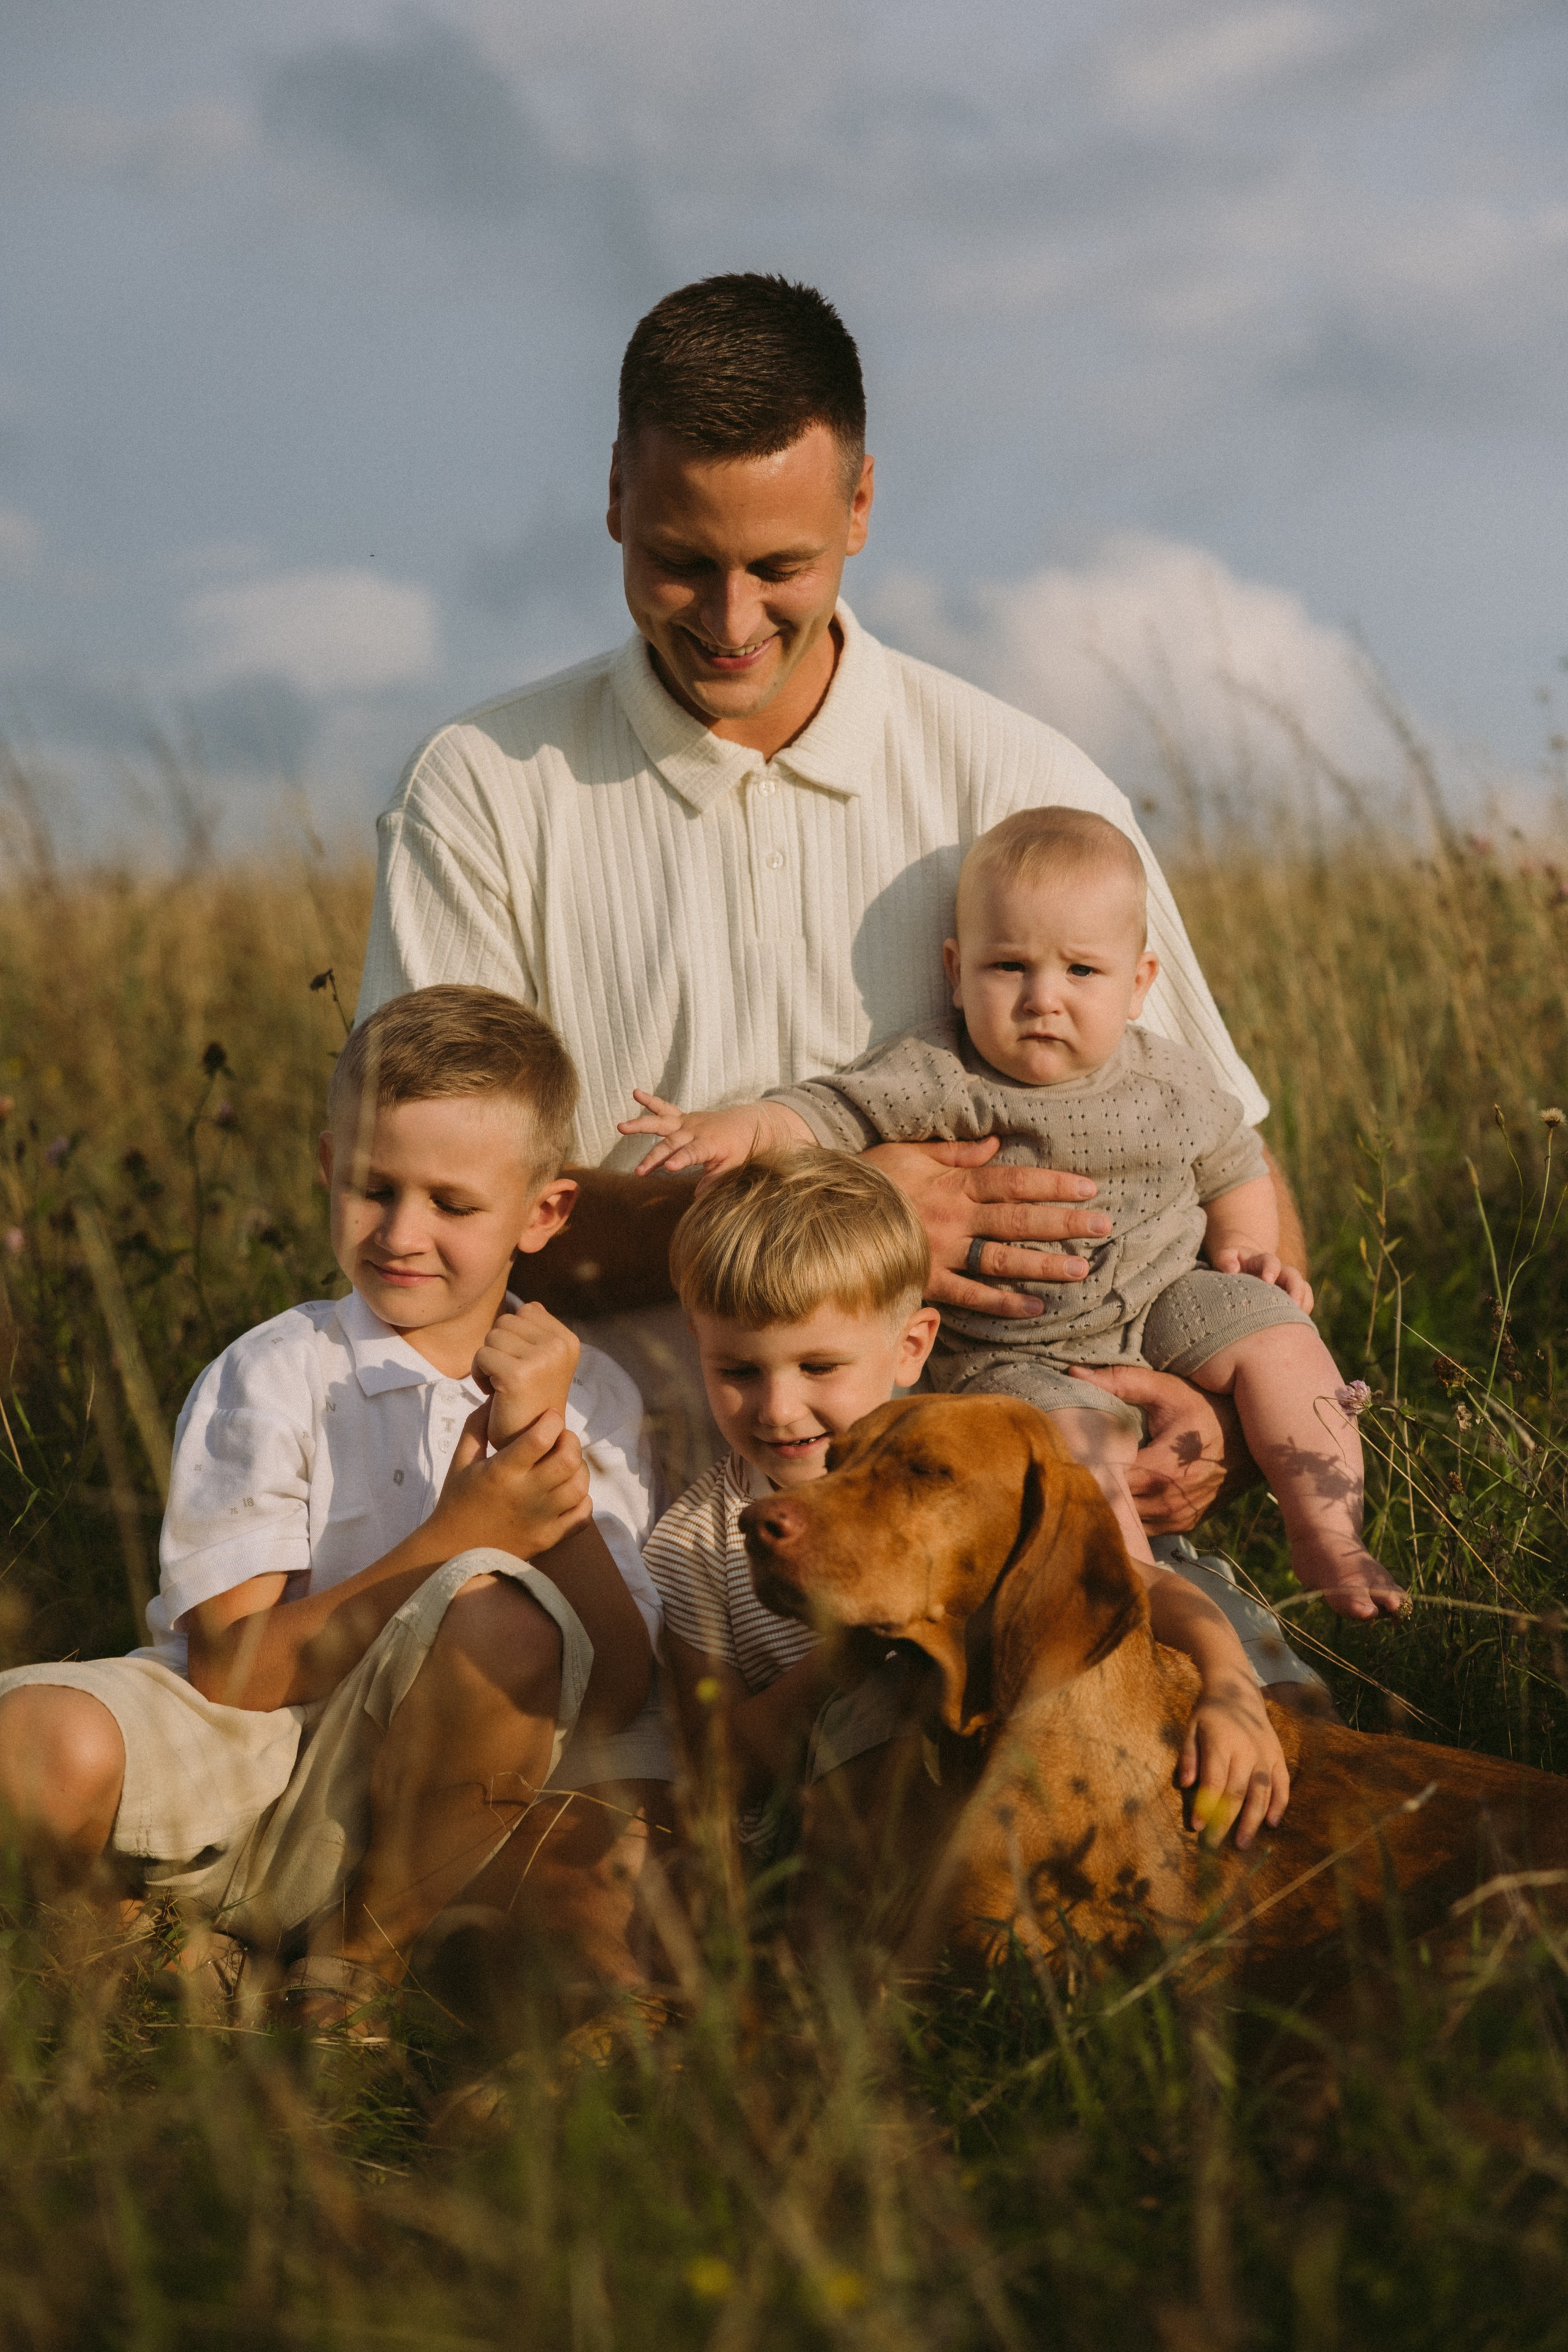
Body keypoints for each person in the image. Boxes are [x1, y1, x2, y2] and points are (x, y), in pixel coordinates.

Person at [356, 270, 1299, 1537]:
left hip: (988, 1514)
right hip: (603, 1515)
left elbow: (1221, 1155)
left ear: (859, 506)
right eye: (680, 563)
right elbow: (426, 1230)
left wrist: (1216, 1416)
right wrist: (850, 1208)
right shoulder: (478, 789)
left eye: (779, 566)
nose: (731, 619)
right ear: (615, 495)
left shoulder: (1028, 785)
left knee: (1225, 1671)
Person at [0, 986, 665, 2027]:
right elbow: (229, 1674)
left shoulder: (592, 1399)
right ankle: (120, 1934)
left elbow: (619, 1690)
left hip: (437, 1815)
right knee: (33, 1741)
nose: (402, 1232)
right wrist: (457, 1535)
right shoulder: (274, 1371)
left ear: (544, 1213)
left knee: (506, 1624)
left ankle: (350, 1972)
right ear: (326, 1166)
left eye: (452, 1204)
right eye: (371, 1187)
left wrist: (544, 1469)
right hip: (235, 1760)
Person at [625, 807, 1406, 1624]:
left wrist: (1246, 1248)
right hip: (1015, 1350)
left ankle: (1327, 1531)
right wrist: (735, 1130)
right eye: (1009, 967)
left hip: (1167, 1296)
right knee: (1071, 1456)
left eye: (1081, 971)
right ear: (957, 972)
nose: (1043, 999)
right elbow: (826, 1113)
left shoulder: (1173, 1080)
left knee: (1281, 1338)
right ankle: (1140, 1608)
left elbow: (1235, 1164)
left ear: (1140, 984)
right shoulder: (940, 1071)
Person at [646, 1149, 1290, 1854]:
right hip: (839, 1845)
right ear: (697, 1347)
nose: (777, 1408)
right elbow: (717, 1768)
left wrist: (1231, 1686)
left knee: (1266, 1698)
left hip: (1036, 1785)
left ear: (911, 1345)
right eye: (738, 1371)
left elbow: (1144, 1585)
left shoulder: (967, 1464)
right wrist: (851, 1648)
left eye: (819, 1366)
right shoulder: (694, 1544)